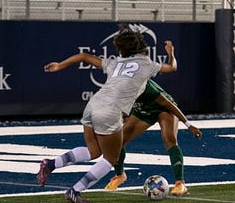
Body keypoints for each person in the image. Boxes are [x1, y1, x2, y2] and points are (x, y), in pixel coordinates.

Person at [37, 24, 177, 203]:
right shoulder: (148, 64)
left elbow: (84, 56)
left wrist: (60, 65)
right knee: (111, 158)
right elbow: (172, 67)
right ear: (143, 48)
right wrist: (171, 54)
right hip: (109, 112)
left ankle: (50, 164)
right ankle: (75, 191)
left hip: (93, 105)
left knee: (93, 151)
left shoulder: (116, 63)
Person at [104, 79, 202, 196]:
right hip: (143, 110)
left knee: (169, 139)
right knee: (118, 140)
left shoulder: (145, 87)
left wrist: (188, 125)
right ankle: (120, 175)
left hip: (163, 108)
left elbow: (168, 104)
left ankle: (180, 183)